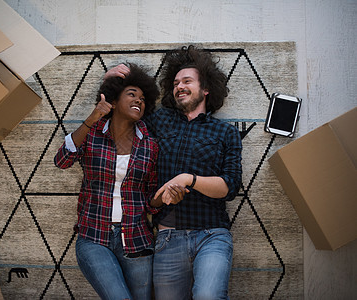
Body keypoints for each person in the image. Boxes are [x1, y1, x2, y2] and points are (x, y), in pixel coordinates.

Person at [105, 45, 243, 300]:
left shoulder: (226, 133)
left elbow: (230, 186)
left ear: (206, 88)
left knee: (208, 296)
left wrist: (187, 179)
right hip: (168, 237)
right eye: (176, 82)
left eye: (187, 81)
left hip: (212, 235)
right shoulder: (158, 121)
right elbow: (119, 123)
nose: (180, 86)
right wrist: (110, 84)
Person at [54, 63, 162, 300]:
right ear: (113, 101)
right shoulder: (92, 133)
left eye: (143, 98)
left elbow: (151, 199)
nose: (139, 101)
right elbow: (62, 160)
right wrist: (93, 117)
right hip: (94, 237)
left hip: (136, 240)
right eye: (132, 94)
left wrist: (162, 198)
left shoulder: (150, 145)